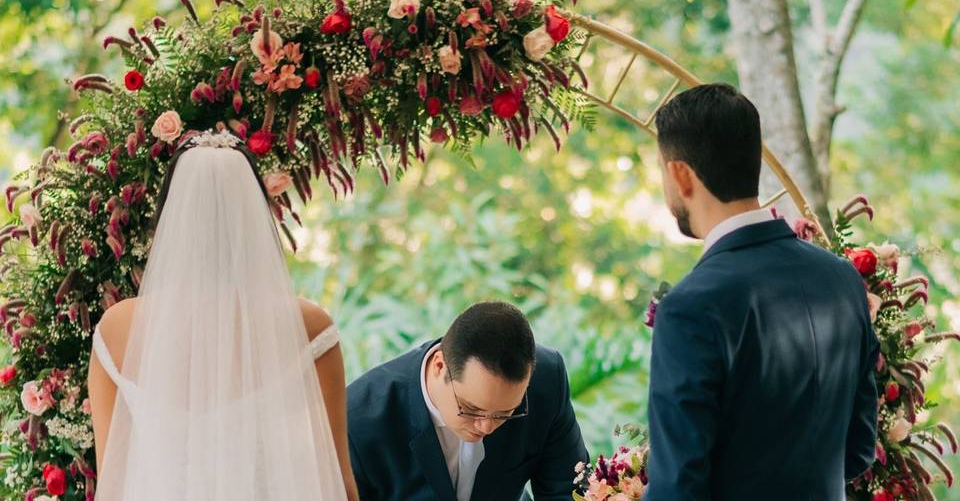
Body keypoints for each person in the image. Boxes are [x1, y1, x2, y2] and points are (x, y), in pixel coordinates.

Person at [87, 130, 359, 500]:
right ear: (258, 215)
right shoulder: (309, 326)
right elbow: (339, 484)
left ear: (170, 216)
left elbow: (111, 484)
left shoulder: (118, 328)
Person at [644, 83, 880, 500]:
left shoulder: (689, 308)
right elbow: (858, 449)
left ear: (680, 173)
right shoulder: (842, 279)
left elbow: (677, 488)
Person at [347, 301, 587, 500]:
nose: (487, 427)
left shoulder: (546, 381)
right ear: (440, 366)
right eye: (472, 409)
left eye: (506, 412)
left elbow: (569, 491)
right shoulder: (357, 422)